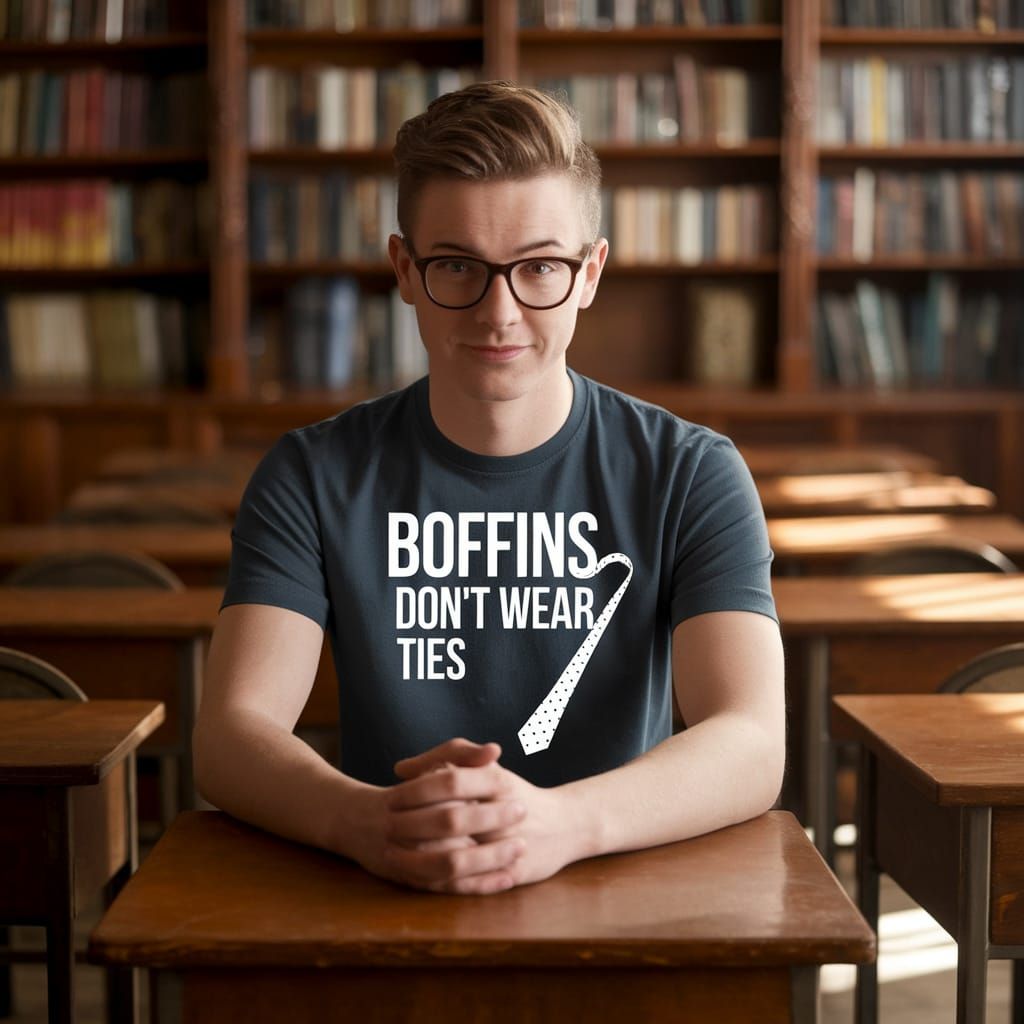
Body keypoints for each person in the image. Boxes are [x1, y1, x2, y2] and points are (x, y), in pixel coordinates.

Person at [193, 81, 785, 895]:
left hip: (620, 887)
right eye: (458, 267)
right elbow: (230, 735)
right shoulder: (309, 474)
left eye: (539, 266)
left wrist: (559, 824)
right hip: (386, 879)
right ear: (405, 269)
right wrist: (365, 820)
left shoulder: (692, 472)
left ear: (590, 273)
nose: (499, 311)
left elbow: (752, 740)